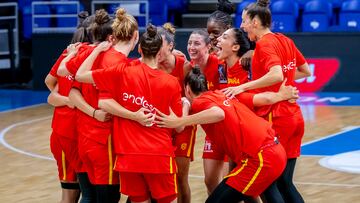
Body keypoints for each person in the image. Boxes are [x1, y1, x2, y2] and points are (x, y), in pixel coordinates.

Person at [75, 24, 182, 203]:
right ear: (159, 53)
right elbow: (178, 126)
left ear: (139, 48)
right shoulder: (171, 83)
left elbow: (81, 76)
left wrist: (96, 51)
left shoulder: (122, 71)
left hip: (128, 156)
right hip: (159, 155)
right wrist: (185, 105)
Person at [155, 68, 287, 203]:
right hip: (274, 151)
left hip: (261, 158)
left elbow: (218, 113)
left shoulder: (200, 102)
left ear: (187, 89)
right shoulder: (223, 94)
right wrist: (282, 95)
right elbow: (264, 98)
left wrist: (180, 118)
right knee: (255, 195)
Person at [223, 0, 312, 202]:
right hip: (293, 116)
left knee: (271, 183)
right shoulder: (285, 40)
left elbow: (276, 75)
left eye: (245, 21)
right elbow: (304, 70)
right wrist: (286, 80)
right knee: (285, 182)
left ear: (255, 21)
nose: (243, 26)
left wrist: (243, 86)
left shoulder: (265, 44)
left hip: (277, 116)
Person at [61, 9, 121, 203]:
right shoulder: (110, 58)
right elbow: (62, 82)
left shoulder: (83, 53)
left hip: (84, 135)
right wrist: (95, 113)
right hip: (97, 137)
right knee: (98, 196)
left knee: (88, 195)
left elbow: (65, 82)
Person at [44, 11, 94, 203]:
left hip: (75, 132)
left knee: (80, 191)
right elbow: (50, 87)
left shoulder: (72, 53)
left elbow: (50, 85)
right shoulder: (74, 54)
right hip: (66, 133)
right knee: (71, 192)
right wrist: (66, 98)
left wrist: (61, 96)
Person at [157, 23, 194, 203]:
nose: (155, 49)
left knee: (180, 177)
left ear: (171, 46)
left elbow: (193, 96)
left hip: (182, 125)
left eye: (160, 44)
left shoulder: (184, 65)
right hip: (160, 125)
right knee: (161, 176)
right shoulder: (150, 65)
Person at [207, 0, 254, 68]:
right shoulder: (210, 51)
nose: (211, 37)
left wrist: (251, 53)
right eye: (209, 33)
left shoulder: (242, 42)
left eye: (216, 32)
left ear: (228, 28)